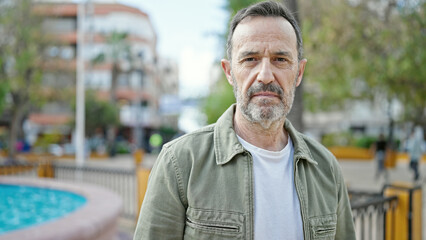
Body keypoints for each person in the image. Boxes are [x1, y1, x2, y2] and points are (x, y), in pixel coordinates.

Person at [134, 1, 355, 239]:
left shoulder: (326, 168)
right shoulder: (179, 162)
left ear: (299, 72)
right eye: (250, 59)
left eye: (280, 59)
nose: (265, 75)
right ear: (229, 72)